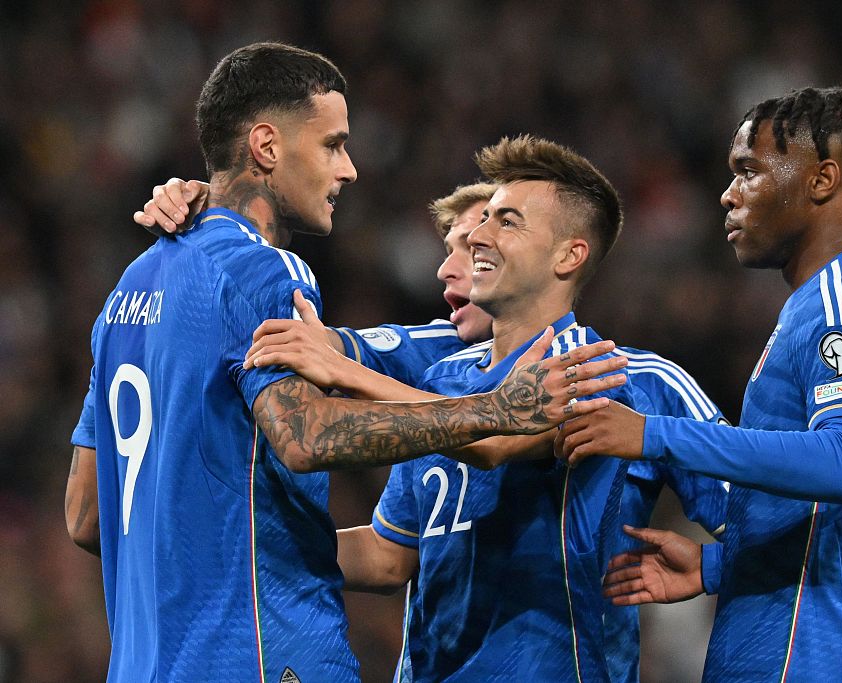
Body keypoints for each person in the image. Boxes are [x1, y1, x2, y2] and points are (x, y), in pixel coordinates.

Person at [64, 44, 620, 683]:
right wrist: (495, 410)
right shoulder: (267, 268)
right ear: (268, 147)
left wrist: (209, 544)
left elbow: (86, 515)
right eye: (332, 144)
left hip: (143, 662)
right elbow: (306, 437)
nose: (349, 169)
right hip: (265, 651)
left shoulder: (128, 292)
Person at [138, 176, 729, 682]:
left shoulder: (623, 376)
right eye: (479, 226)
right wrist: (236, 553)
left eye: (506, 222)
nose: (475, 241)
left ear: (568, 255)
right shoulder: (442, 380)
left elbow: (496, 440)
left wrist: (713, 568)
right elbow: (389, 554)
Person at [559, 87, 842, 680]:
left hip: (800, 661)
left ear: (821, 180)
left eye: (749, 171)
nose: (728, 194)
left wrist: (654, 435)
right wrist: (717, 568)